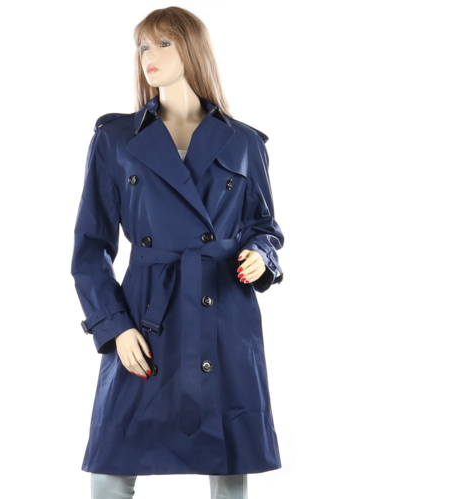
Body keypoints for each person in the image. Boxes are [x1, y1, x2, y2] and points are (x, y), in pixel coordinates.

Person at [71, 7, 284, 499]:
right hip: (146, 316)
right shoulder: (116, 139)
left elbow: (265, 227)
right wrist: (113, 326)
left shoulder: (244, 141)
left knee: (229, 464)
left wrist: (260, 254)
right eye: (143, 45)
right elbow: (90, 247)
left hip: (224, 311)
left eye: (163, 43)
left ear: (191, 49)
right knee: (110, 465)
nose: (149, 55)